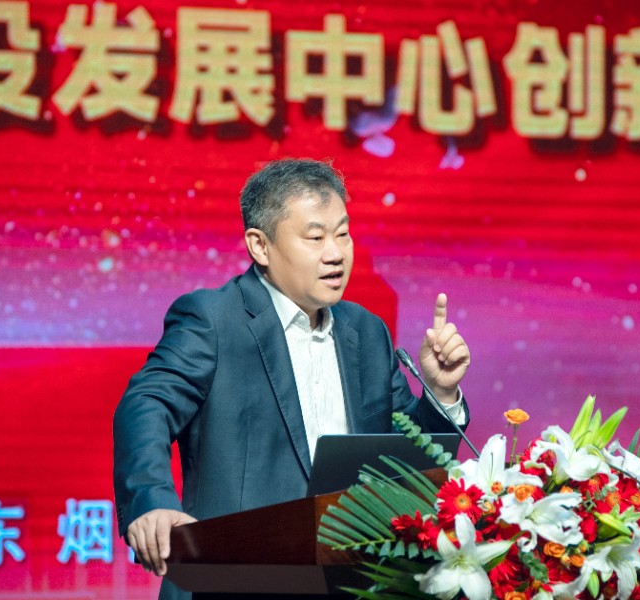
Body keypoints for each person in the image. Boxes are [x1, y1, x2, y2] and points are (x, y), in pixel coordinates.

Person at [113, 158, 471, 599]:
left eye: (343, 234)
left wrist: (440, 393)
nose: (335, 253)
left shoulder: (366, 332)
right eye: (315, 237)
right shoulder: (214, 319)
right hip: (233, 582)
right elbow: (146, 404)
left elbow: (404, 458)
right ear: (260, 246)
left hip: (351, 584)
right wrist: (151, 501)